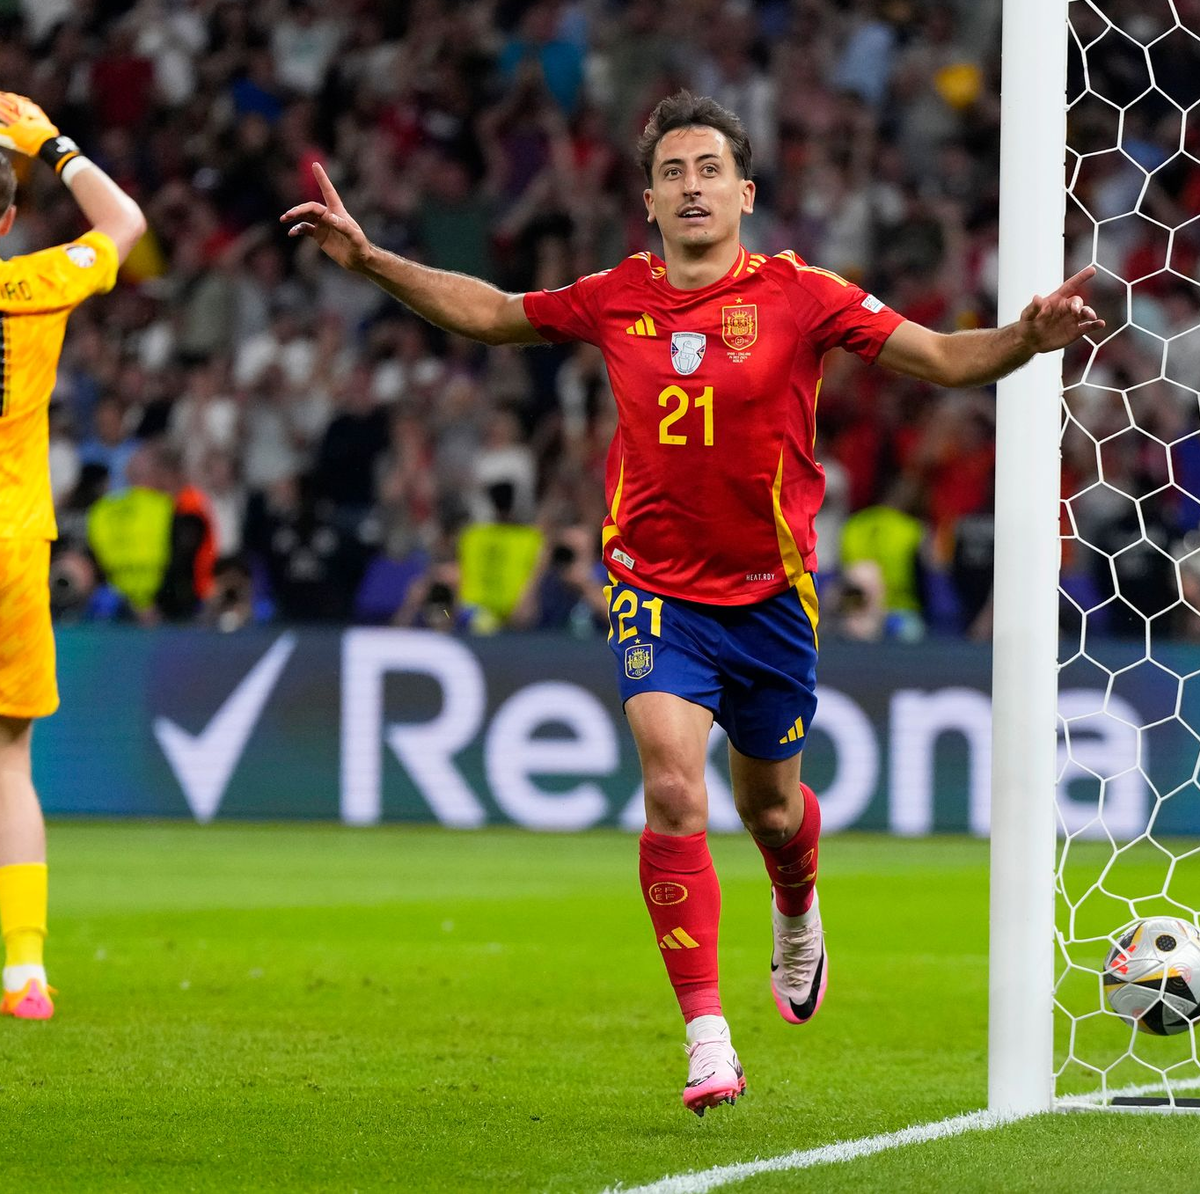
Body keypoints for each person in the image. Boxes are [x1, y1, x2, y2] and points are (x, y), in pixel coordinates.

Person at [282, 90, 1102, 1114]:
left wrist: (1028, 336)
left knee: (770, 810)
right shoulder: (616, 294)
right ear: (650, 201)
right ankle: (707, 1037)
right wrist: (370, 261)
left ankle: (796, 902)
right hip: (653, 587)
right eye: (673, 172)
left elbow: (938, 358)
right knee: (673, 789)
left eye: (710, 169)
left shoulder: (800, 294)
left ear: (745, 193)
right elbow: (493, 314)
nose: (692, 186)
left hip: (771, 599)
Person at [0, 92, 146, 1019]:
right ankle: (23, 972)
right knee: (9, 761)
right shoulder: (42, 282)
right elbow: (125, 222)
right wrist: (49, 142)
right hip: (14, 541)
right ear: (8, 219)